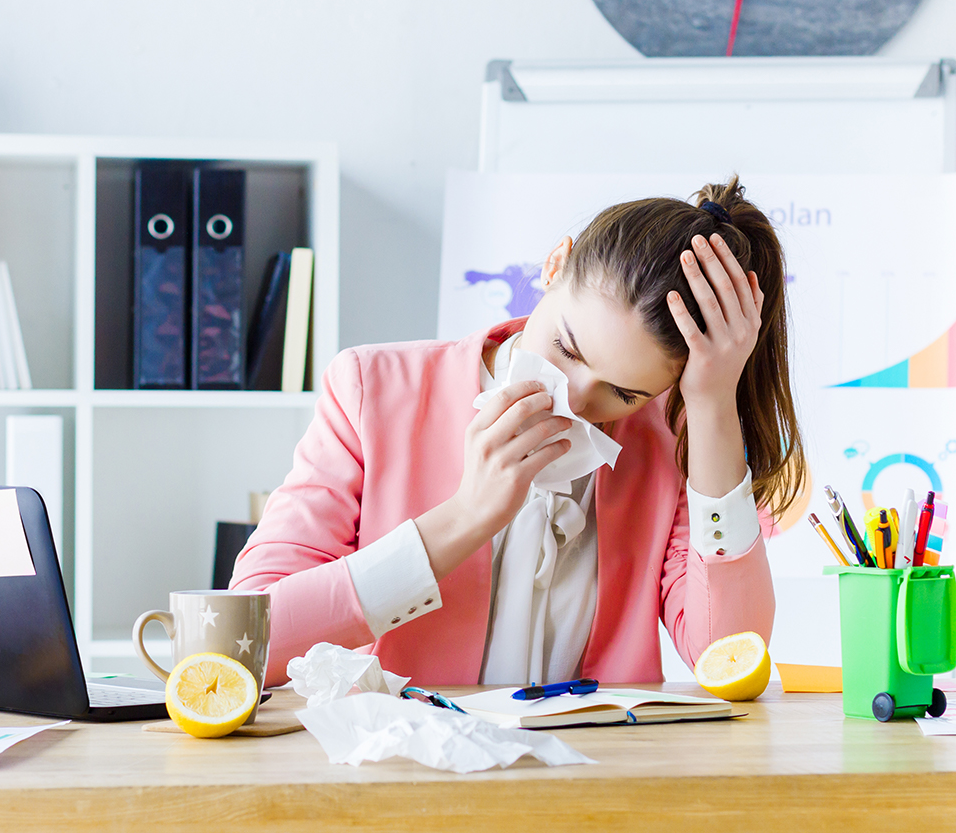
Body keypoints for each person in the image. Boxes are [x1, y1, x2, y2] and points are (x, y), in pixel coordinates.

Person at [233, 177, 806, 686]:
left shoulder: (673, 443)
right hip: (405, 776)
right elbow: (248, 642)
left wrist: (710, 410)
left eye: (623, 393)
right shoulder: (371, 389)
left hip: (594, 786)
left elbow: (730, 656)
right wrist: (466, 517)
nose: (576, 402)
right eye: (567, 348)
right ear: (555, 265)